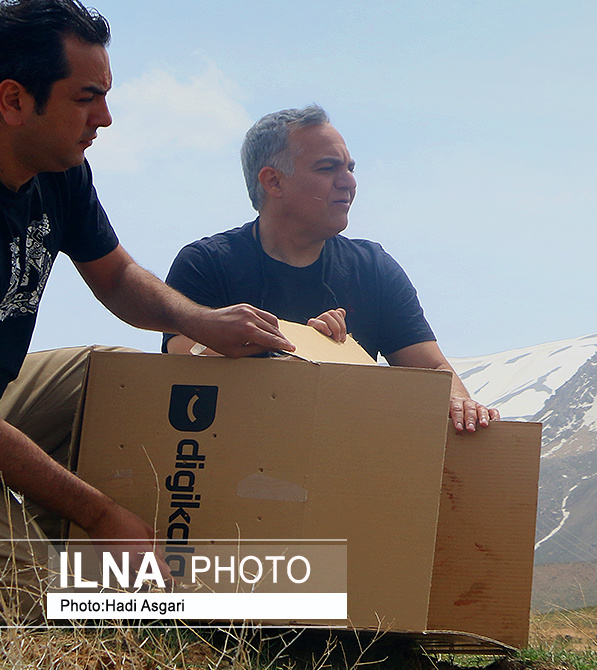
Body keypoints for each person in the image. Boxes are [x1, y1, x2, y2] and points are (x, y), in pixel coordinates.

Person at [0, 0, 294, 616]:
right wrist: (103, 515)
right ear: (14, 100)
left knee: (106, 376)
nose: (104, 118)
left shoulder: (60, 171)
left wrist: (198, 319)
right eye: (86, 98)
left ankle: (93, 550)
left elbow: (117, 275)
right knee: (42, 605)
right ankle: (62, 558)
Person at [163, 105, 499, 433]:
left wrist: (460, 404)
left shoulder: (374, 269)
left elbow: (434, 369)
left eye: (351, 168)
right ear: (273, 182)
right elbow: (183, 361)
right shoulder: (205, 264)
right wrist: (304, 347)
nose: (349, 182)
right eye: (328, 168)